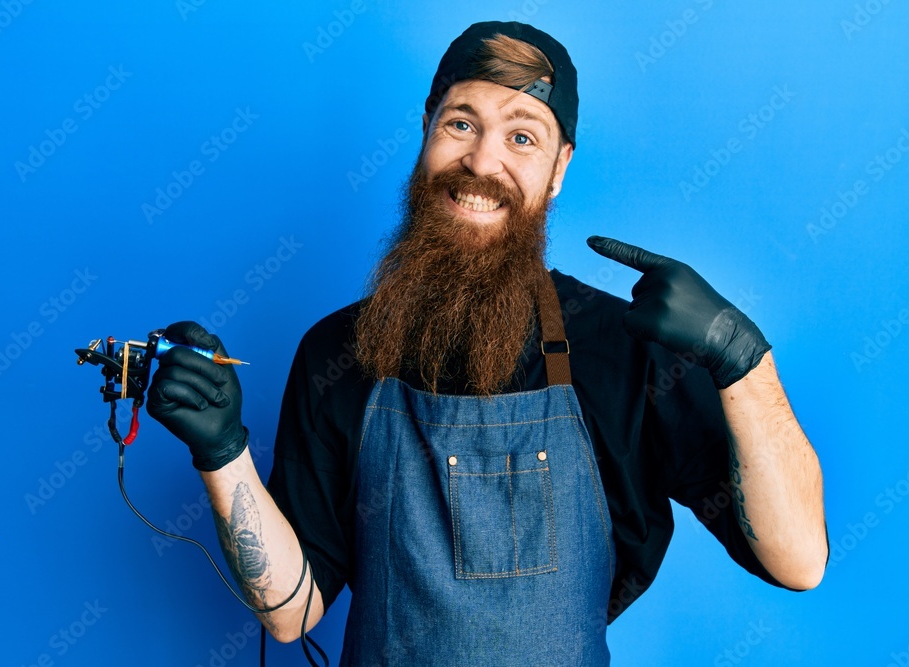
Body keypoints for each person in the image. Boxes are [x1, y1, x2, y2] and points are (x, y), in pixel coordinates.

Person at [146, 20, 828, 666]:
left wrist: (742, 360)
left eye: (522, 138)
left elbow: (798, 560)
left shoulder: (623, 348)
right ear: (426, 131)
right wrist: (222, 453)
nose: (481, 161)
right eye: (461, 123)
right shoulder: (337, 353)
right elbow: (292, 612)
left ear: (559, 168)